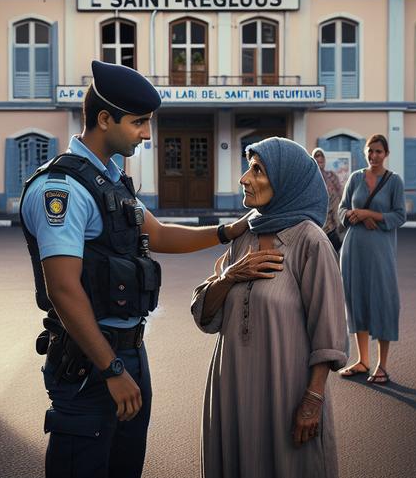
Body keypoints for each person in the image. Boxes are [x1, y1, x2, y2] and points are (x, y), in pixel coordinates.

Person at [20, 60, 251, 478]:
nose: (147, 134)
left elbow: (158, 234)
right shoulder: (62, 188)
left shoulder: (109, 181)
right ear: (104, 119)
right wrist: (111, 368)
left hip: (129, 352)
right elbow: (63, 289)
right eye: (139, 122)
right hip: (91, 362)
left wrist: (227, 231)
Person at [191, 137, 347, 478]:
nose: (244, 178)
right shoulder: (244, 236)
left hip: (285, 389)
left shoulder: (310, 242)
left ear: (286, 181)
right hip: (232, 386)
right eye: (249, 168)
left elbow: (328, 331)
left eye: (258, 170)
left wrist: (313, 399)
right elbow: (205, 315)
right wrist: (229, 277)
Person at [335, 134, 406, 384]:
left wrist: (370, 214)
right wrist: (353, 215)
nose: (373, 156)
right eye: (370, 151)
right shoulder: (355, 178)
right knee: (357, 301)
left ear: (386, 154)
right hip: (353, 249)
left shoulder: (394, 181)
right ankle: (362, 360)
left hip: (380, 251)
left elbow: (399, 216)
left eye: (378, 151)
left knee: (383, 301)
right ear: (365, 152)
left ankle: (382, 365)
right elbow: (341, 210)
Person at [311, 147, 344, 252]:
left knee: (335, 252)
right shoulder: (310, 178)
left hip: (333, 224)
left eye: (321, 159)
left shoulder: (332, 176)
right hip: (317, 224)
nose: (319, 160)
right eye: (316, 158)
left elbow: (340, 195)